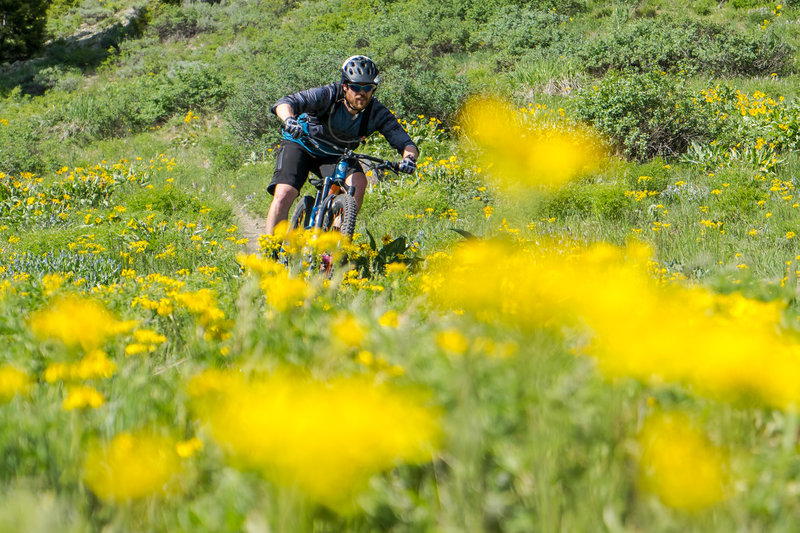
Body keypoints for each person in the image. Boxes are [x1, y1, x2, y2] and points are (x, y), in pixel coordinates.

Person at [265, 55, 420, 235]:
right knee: (284, 193)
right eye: (356, 87)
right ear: (345, 86)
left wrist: (409, 159)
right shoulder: (328, 94)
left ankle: (336, 240)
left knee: (359, 182)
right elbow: (285, 103)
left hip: (336, 154)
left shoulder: (376, 113)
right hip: (302, 143)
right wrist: (290, 120)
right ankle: (270, 251)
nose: (362, 93)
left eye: (368, 88)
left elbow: (405, 142)